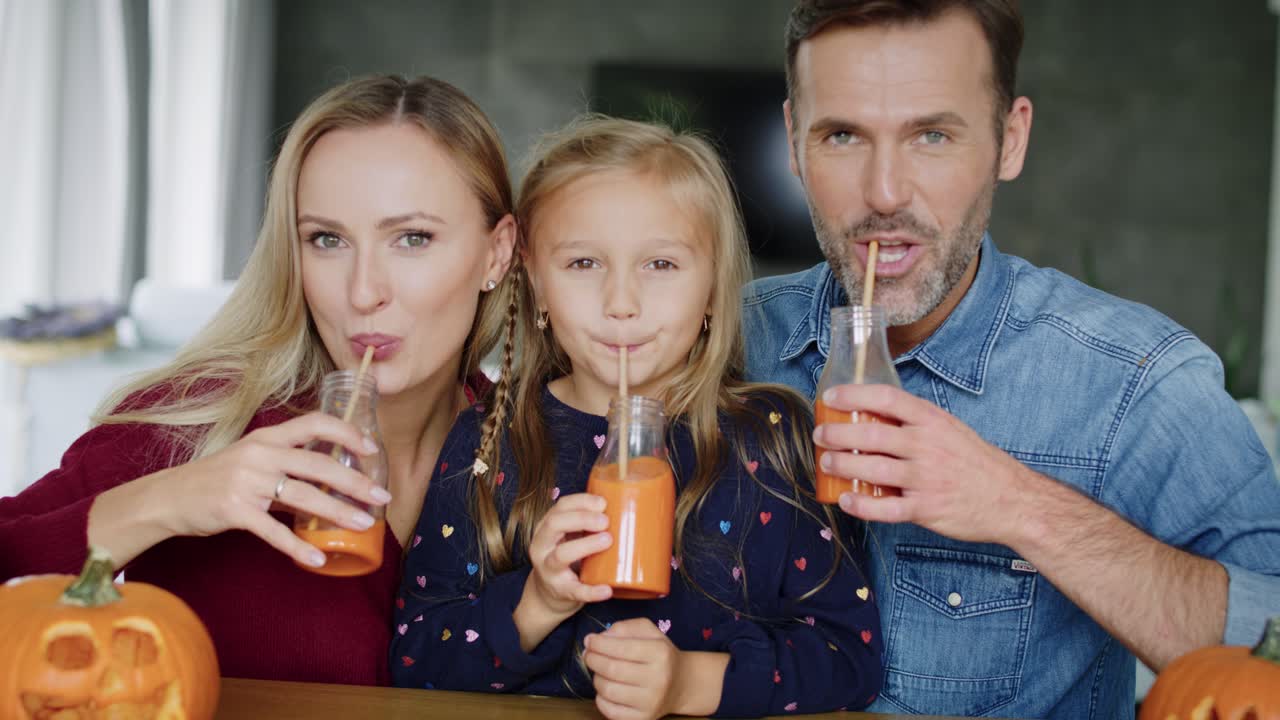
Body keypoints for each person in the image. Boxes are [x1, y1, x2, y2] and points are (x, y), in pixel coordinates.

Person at [742, 2, 1280, 718]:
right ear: (794, 144)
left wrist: (1017, 505)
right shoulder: (719, 342)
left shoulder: (1137, 381)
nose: (885, 194)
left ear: (1010, 140)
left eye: (932, 135)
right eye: (842, 135)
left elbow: (1268, 637)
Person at [0, 74, 517, 686]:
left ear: (496, 253)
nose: (363, 291)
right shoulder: (200, 419)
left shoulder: (538, 449)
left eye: (412, 239)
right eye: (326, 240)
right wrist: (167, 501)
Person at [391, 116, 883, 718]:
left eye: (661, 265)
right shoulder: (488, 439)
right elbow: (413, 659)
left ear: (711, 288)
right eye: (583, 264)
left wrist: (688, 683)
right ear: (536, 282)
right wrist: (537, 602)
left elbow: (847, 657)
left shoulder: (773, 438)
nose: (621, 303)